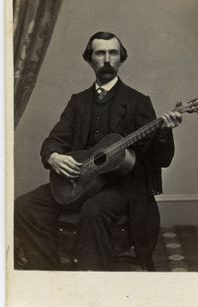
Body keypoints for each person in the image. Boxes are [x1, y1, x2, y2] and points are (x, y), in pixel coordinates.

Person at [14, 31, 182, 271]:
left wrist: (165, 131)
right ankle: (48, 275)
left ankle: (92, 283)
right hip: (81, 180)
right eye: (100, 53)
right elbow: (54, 140)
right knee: (24, 206)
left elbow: (161, 159)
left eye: (113, 53)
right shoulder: (78, 102)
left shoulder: (138, 102)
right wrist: (54, 157)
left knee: (93, 211)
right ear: (89, 59)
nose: (106, 59)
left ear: (121, 59)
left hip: (122, 188)